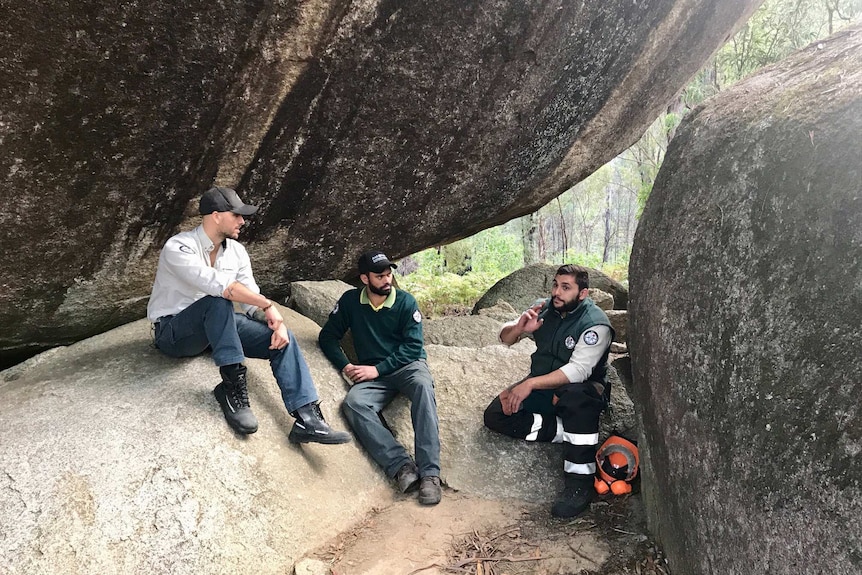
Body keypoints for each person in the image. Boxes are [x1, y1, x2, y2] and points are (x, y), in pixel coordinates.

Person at [147, 186, 351, 445]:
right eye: (236, 215)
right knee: (218, 301)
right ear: (216, 215)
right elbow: (220, 287)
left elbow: (250, 298)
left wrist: (274, 322)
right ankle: (231, 389)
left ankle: (308, 418)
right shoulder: (179, 247)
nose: (243, 221)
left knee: (282, 338)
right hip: (175, 331)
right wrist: (268, 305)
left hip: (218, 329)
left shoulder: (236, 251)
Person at [483, 265, 614, 518]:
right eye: (555, 285)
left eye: (566, 288)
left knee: (578, 399)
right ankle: (571, 434)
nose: (557, 292)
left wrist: (529, 384)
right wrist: (520, 328)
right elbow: (505, 338)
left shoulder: (596, 325)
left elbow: (579, 371)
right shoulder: (544, 308)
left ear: (583, 293)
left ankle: (579, 484)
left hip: (579, 388)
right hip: (543, 383)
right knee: (497, 414)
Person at [318, 250, 442, 505]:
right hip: (374, 375)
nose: (387, 280)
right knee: (354, 403)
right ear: (364, 278)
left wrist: (377, 369)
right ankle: (401, 467)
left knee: (422, 386)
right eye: (380, 275)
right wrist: (345, 366)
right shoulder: (351, 302)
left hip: (407, 367)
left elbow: (413, 346)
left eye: (388, 274)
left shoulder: (406, 302)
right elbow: (327, 337)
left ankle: (430, 474)